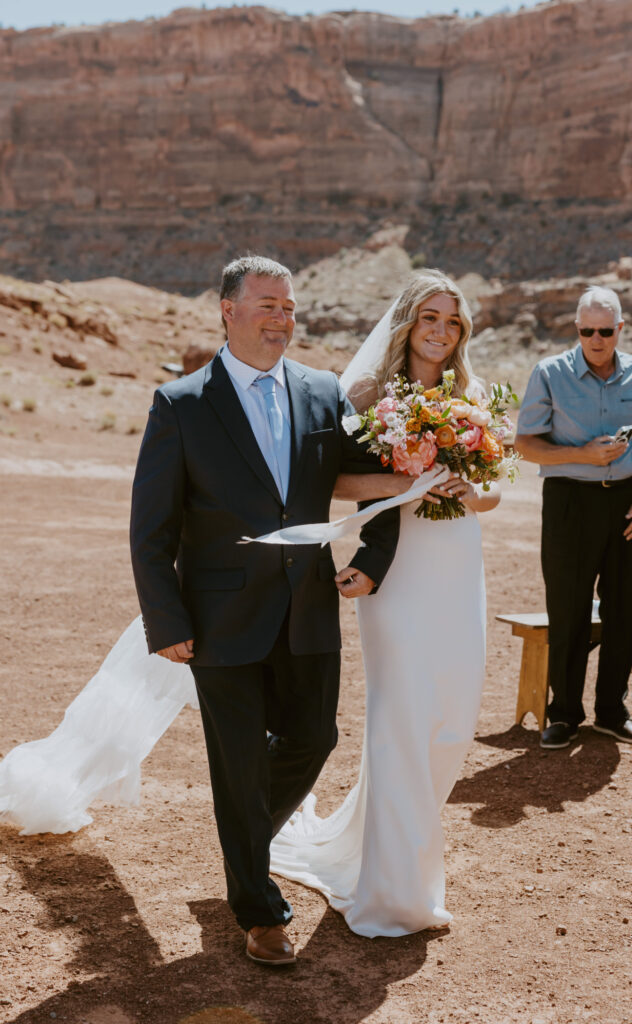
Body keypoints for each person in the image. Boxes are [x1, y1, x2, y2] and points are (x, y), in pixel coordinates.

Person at [129, 255, 401, 966]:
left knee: (315, 739)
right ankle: (259, 911)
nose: (281, 318)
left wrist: (374, 558)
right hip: (218, 619)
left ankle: (243, 844)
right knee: (239, 764)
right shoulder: (180, 404)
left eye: (288, 306)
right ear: (228, 309)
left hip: (309, 607)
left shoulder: (322, 392)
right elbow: (150, 531)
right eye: (267, 304)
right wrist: (168, 621)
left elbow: (376, 480)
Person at [267, 269, 501, 937]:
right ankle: (394, 890)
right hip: (394, 573)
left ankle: (389, 852)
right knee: (402, 716)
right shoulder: (367, 393)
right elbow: (330, 481)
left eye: (452, 321)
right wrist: (407, 481)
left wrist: (462, 487)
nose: (440, 330)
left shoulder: (471, 395)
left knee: (452, 718)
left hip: (456, 564)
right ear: (406, 321)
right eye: (430, 317)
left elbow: (493, 492)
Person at [515, 285, 632, 751]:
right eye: (587, 331)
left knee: (627, 608)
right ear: (576, 329)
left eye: (605, 330)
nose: (596, 339)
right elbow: (525, 442)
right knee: (569, 609)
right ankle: (564, 715)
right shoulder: (549, 373)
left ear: (621, 328)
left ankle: (611, 712)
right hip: (569, 500)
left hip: (628, 501)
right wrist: (581, 452)